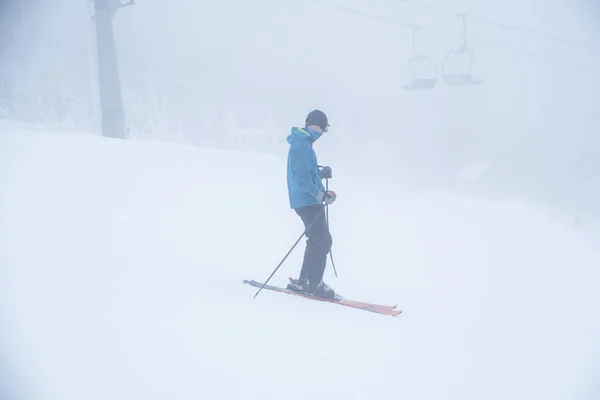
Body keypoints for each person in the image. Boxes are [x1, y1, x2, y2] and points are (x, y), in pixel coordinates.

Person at [285, 109, 338, 300]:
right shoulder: (301, 145)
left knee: (316, 240)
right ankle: (313, 285)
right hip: (307, 200)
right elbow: (301, 177)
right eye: (322, 128)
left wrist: (321, 174)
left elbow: (306, 171)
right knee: (323, 241)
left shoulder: (304, 143)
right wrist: (321, 194)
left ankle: (305, 280)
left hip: (308, 199)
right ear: (313, 124)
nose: (322, 132)